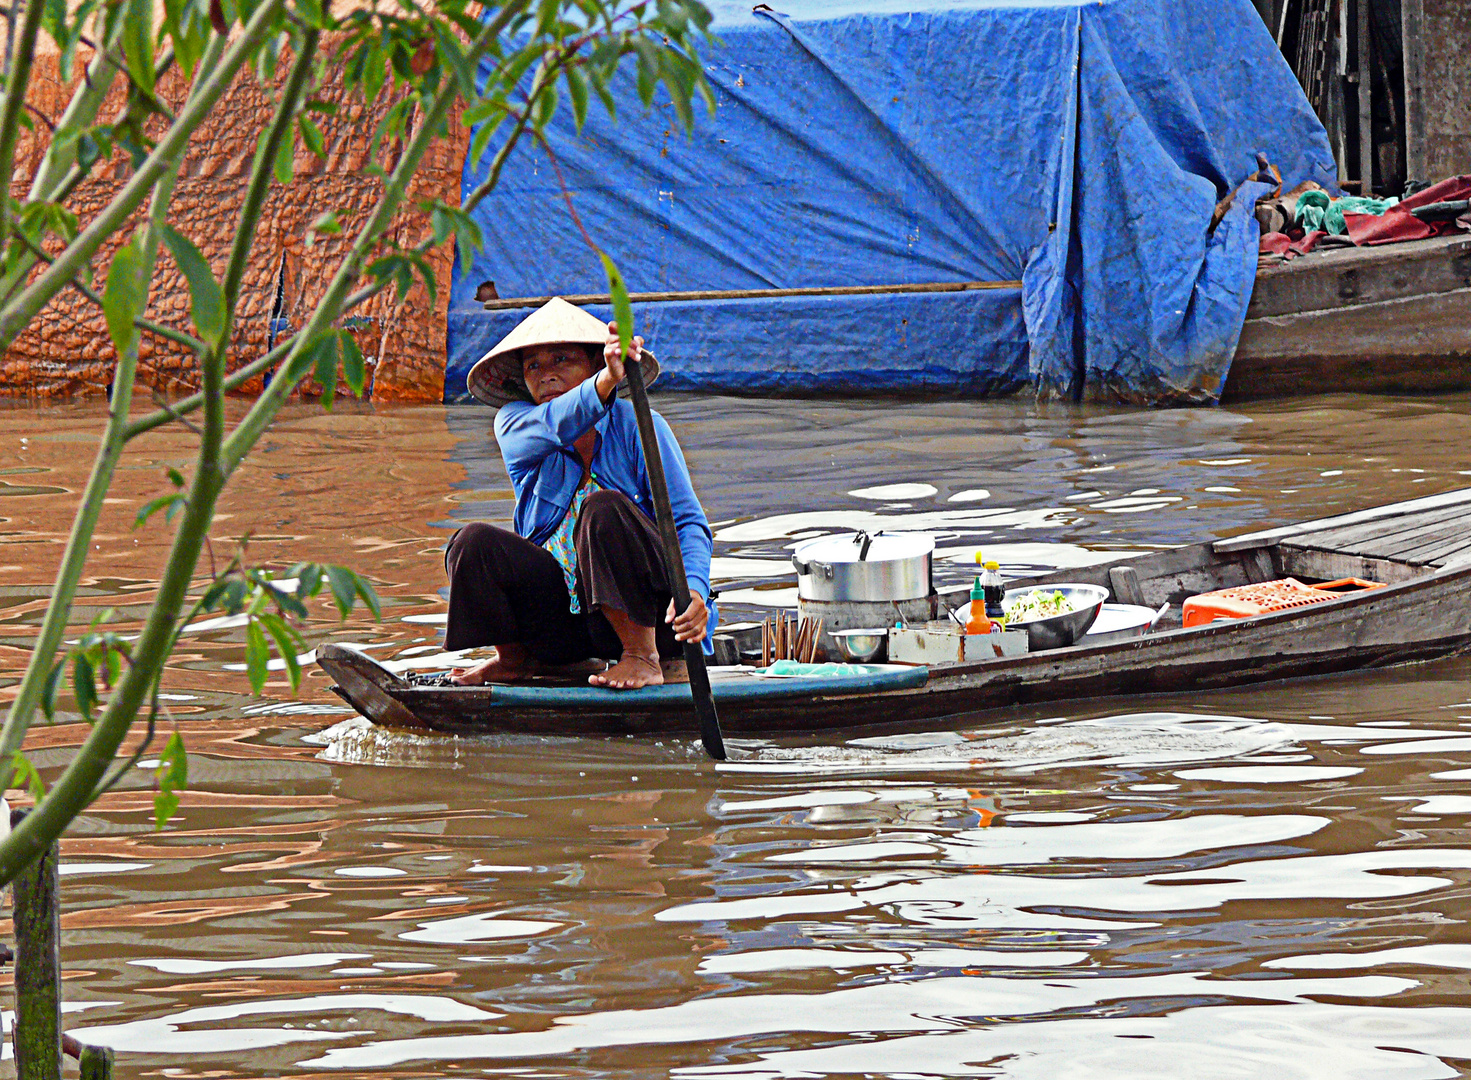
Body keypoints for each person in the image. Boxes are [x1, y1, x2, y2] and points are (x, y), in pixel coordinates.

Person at [446, 297, 716, 690]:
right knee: (472, 543)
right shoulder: (517, 425)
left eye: (561, 360)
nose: (545, 375)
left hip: (649, 617)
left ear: (593, 364)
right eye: (533, 366)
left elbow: (686, 522)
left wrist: (694, 591)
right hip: (564, 624)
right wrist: (605, 382)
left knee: (602, 507)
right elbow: (560, 422)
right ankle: (515, 660)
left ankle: (641, 656)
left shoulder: (641, 425)